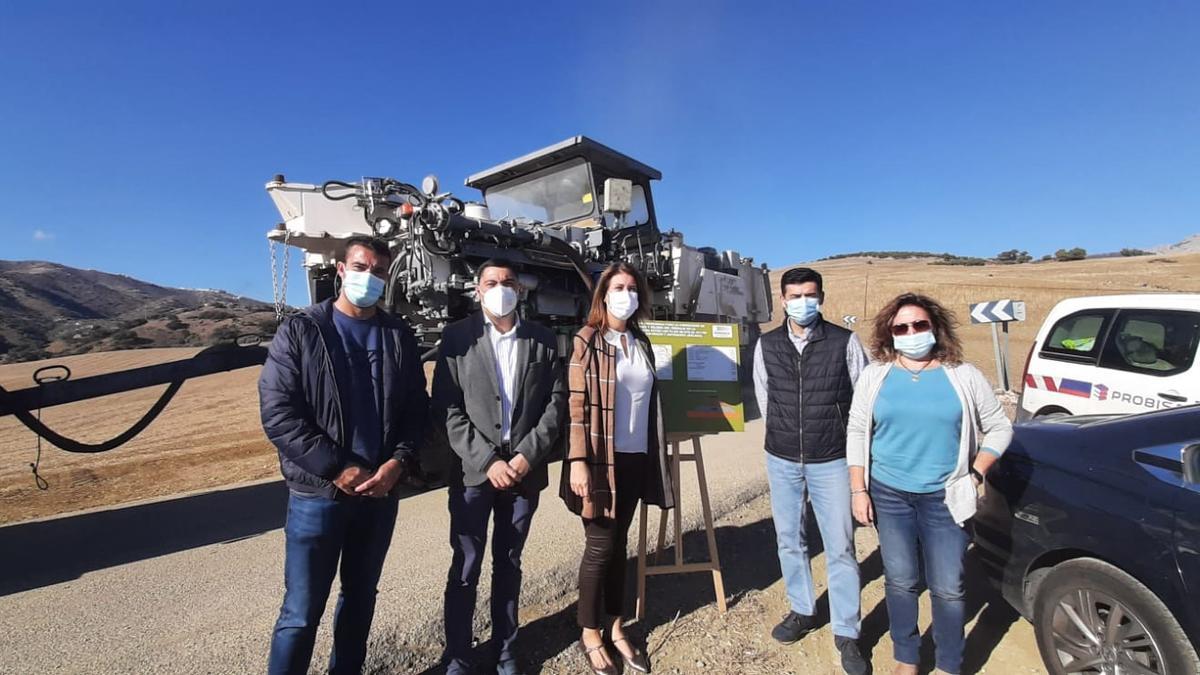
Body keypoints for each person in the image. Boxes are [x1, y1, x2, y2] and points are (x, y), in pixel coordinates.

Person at [259, 235, 428, 675]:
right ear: (340, 270)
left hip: (379, 496)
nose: (368, 277)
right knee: (300, 614)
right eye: (360, 267)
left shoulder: (398, 336)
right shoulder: (302, 331)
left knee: (359, 600)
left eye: (378, 271)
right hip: (319, 497)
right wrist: (336, 467)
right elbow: (280, 415)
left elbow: (416, 410)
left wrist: (398, 463)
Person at [847, 293, 1013, 675]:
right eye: (901, 327)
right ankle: (907, 658)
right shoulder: (876, 375)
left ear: (935, 328)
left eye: (919, 325)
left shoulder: (964, 375)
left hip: (946, 496)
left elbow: (1000, 425)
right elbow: (857, 430)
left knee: (948, 586)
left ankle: (949, 662)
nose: (911, 333)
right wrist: (859, 489)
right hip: (889, 494)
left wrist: (976, 471)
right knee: (901, 580)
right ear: (890, 334)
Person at [432, 259, 567, 675]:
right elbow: (447, 409)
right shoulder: (456, 339)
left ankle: (505, 650)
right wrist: (488, 460)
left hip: (525, 474)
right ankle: (457, 655)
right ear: (477, 290)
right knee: (466, 565)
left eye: (508, 282)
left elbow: (556, 404)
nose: (500, 288)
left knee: (508, 562)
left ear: (520, 291)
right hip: (475, 474)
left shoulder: (543, 340)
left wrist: (528, 454)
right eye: (491, 282)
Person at [751, 267, 870, 675]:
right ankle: (802, 609)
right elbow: (765, 399)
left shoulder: (845, 342)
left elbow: (864, 402)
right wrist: (784, 436)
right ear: (782, 300)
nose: (803, 302)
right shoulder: (766, 345)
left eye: (810, 294)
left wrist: (858, 459)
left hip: (832, 459)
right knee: (790, 540)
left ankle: (848, 632)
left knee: (839, 546)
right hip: (782, 458)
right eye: (795, 295)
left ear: (821, 297)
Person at [562, 262, 674, 675]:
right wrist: (577, 462)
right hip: (596, 461)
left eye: (631, 288)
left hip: (634, 459)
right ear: (603, 295)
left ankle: (615, 625)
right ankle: (589, 631)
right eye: (617, 287)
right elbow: (575, 408)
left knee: (619, 544)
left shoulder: (641, 342)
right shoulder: (588, 341)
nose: (625, 294)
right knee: (599, 546)